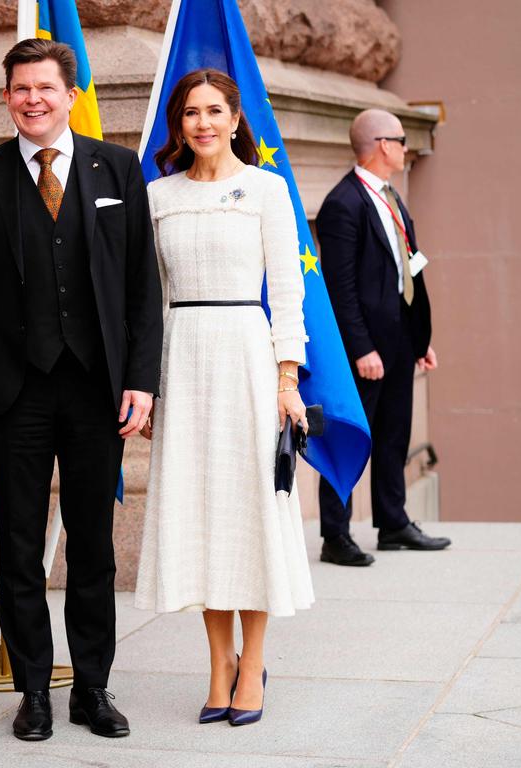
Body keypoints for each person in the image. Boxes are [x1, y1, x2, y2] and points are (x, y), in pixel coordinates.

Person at [0, 39, 162, 741]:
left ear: (71, 94)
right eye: (19, 89)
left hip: (99, 392)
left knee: (93, 546)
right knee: (20, 546)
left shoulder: (118, 168)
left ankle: (91, 688)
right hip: (13, 394)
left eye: (44, 87)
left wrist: (142, 382)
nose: (32, 99)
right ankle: (33, 689)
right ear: (7, 97)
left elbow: (142, 292)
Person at [134, 69, 314, 727]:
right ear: (178, 125)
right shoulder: (156, 195)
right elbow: (147, 301)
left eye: (214, 111)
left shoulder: (267, 189)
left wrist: (287, 379)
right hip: (183, 360)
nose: (202, 123)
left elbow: (288, 292)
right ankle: (218, 667)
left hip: (248, 357)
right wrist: (148, 387)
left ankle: (254, 662)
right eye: (190, 113)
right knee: (202, 516)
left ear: (237, 120)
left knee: (249, 515)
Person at [316, 108, 450, 567]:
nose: (406, 147)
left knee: (394, 434)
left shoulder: (391, 198)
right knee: (351, 436)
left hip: (397, 342)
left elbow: (408, 269)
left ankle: (393, 524)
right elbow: (341, 287)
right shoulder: (343, 204)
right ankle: (336, 534)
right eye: (400, 139)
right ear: (379, 145)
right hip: (366, 349)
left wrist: (419, 339)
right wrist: (361, 348)